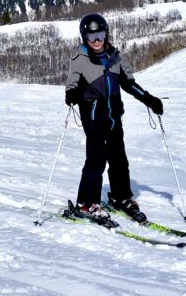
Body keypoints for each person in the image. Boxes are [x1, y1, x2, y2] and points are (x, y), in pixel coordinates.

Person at [64, 13, 163, 223]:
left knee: (119, 160)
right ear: (84, 38)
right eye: (91, 36)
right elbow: (71, 84)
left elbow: (129, 83)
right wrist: (71, 94)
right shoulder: (80, 61)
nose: (96, 40)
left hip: (113, 118)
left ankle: (121, 196)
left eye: (100, 34)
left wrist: (149, 99)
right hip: (93, 119)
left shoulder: (115, 57)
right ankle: (86, 202)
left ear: (106, 33)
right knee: (96, 160)